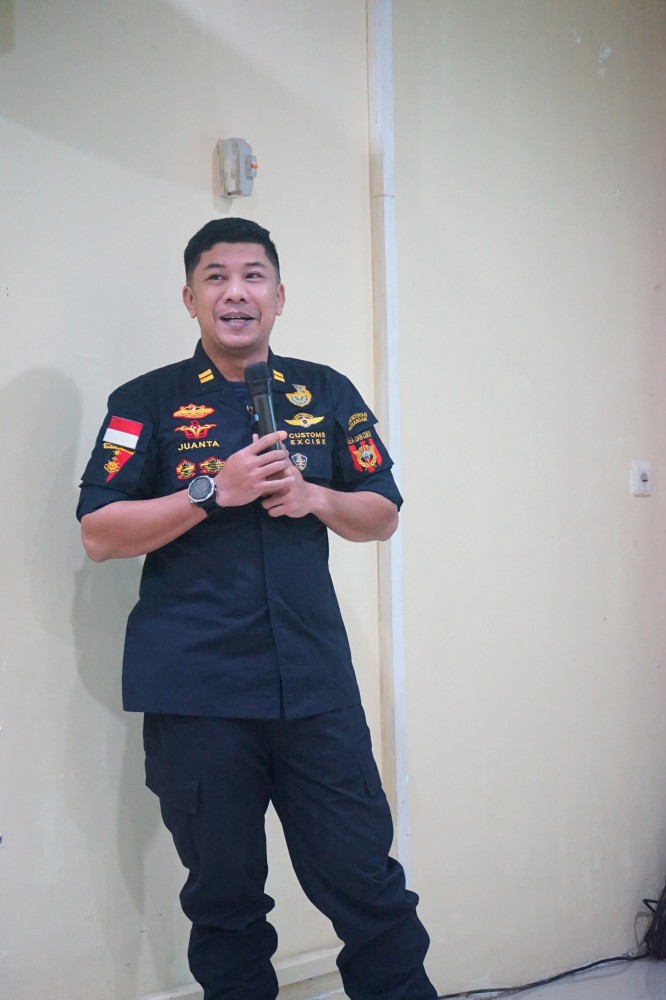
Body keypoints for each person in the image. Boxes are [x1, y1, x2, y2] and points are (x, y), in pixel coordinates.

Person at [77, 218, 437, 1000]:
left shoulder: (327, 392)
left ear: (279, 295)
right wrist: (214, 490)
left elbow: (382, 513)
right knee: (226, 907)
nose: (235, 292)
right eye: (215, 277)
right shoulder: (146, 402)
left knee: (370, 890)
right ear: (190, 298)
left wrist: (315, 497)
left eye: (252, 276)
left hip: (314, 689)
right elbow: (99, 533)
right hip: (198, 695)